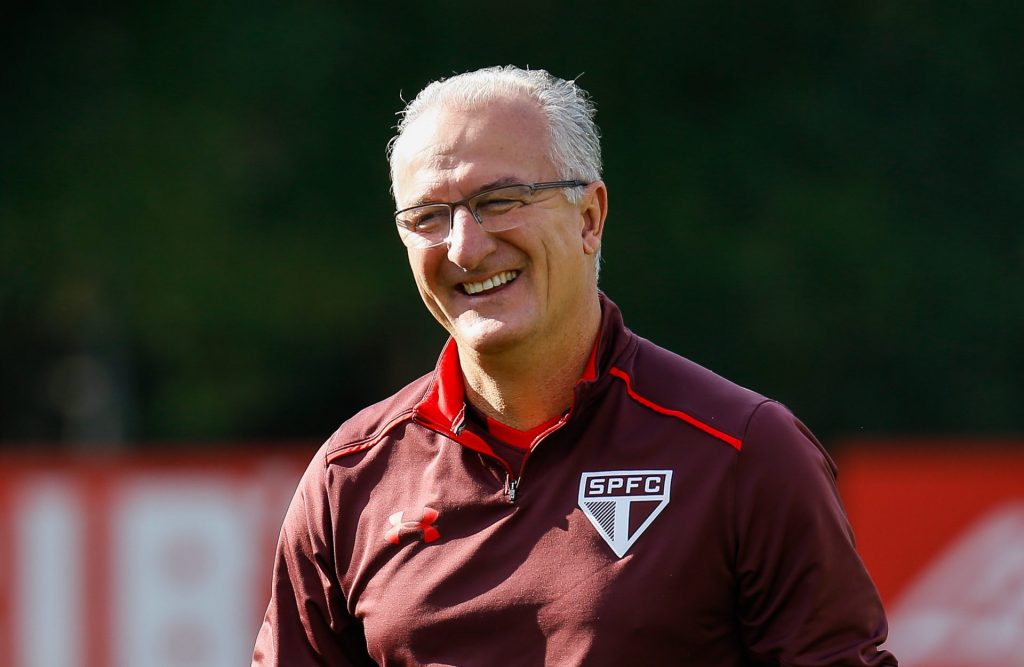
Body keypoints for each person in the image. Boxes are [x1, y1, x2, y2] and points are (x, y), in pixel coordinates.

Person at [252, 66, 897, 666]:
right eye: (429, 217)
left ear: (590, 217)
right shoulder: (351, 477)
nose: (466, 246)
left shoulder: (742, 450)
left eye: (501, 200)